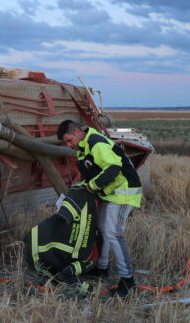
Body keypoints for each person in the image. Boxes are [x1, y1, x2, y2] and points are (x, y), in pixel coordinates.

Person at [57, 120, 142, 298]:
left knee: (114, 233)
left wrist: (92, 186)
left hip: (124, 191)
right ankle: (102, 268)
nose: (69, 145)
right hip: (111, 193)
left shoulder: (95, 143)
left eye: (69, 140)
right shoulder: (84, 148)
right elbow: (92, 172)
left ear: (78, 133)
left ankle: (128, 282)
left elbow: (112, 168)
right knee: (102, 230)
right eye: (66, 143)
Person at [23, 184, 99, 295]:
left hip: (36, 244)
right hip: (37, 252)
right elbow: (68, 273)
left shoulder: (81, 191)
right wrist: (85, 289)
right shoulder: (89, 258)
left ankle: (47, 278)